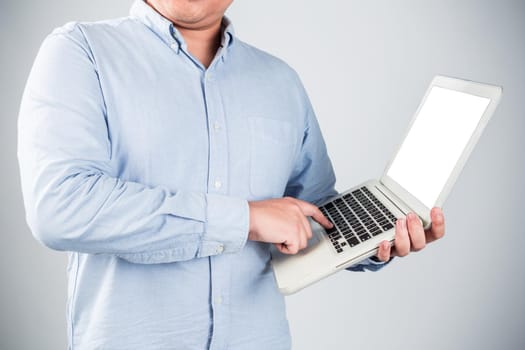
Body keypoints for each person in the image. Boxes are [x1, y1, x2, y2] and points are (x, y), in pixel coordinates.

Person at [17, 0, 445, 349]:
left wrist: (373, 240)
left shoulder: (281, 81)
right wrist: (247, 218)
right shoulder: (80, 51)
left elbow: (314, 220)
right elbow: (60, 207)